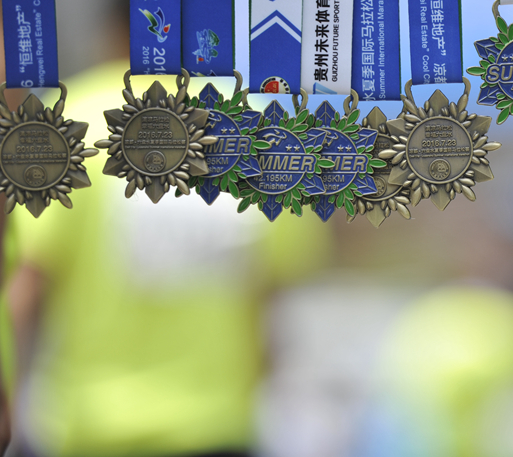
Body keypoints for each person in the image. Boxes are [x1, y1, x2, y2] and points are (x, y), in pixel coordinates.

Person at [4, 60, 333, 457]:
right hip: (218, 428)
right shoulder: (263, 131)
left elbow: (26, 287)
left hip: (89, 429)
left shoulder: (71, 120)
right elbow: (272, 299)